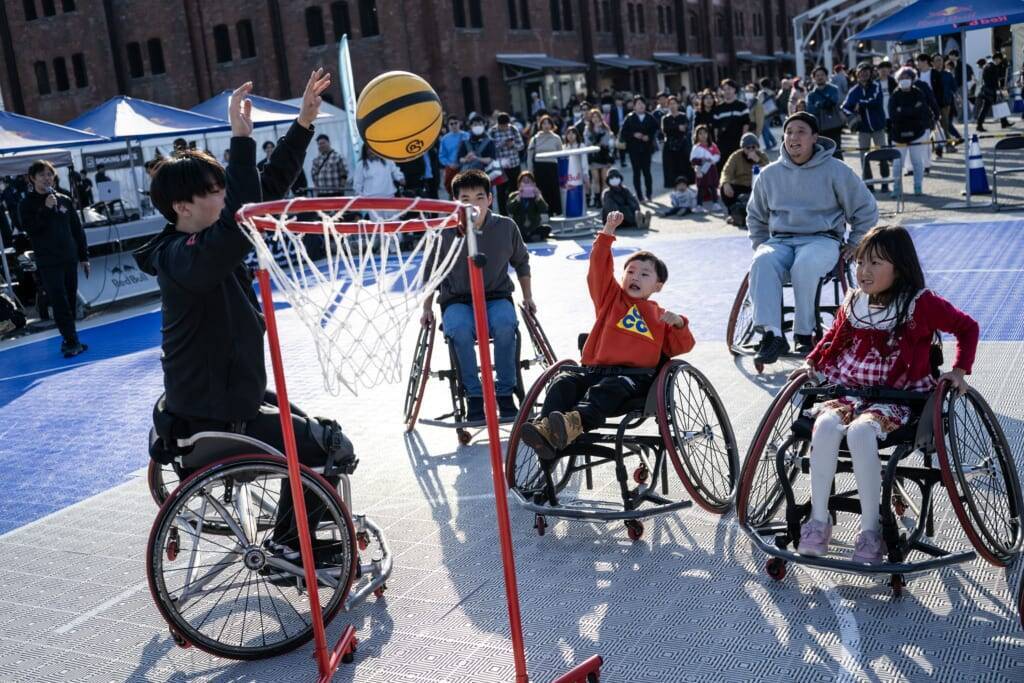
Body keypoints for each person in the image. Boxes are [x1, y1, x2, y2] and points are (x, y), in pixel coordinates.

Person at [134, 73, 357, 559]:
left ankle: (293, 532)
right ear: (182, 206)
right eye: (213, 190)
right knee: (327, 446)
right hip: (211, 418)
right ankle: (292, 545)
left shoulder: (206, 243)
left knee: (317, 428)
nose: (224, 197)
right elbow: (242, 213)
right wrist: (239, 139)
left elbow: (262, 190)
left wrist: (301, 124)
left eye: (221, 188)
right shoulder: (182, 257)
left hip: (230, 400)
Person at [795, 224, 978, 565]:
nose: (864, 271)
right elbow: (832, 339)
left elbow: (967, 327)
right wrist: (812, 365)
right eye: (860, 261)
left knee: (863, 431)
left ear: (900, 267)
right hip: (851, 394)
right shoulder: (854, 302)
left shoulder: (920, 304)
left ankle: (871, 529)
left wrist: (959, 370)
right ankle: (818, 521)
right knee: (824, 427)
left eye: (876, 263)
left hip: (898, 398)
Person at [518, 209, 694, 460]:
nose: (635, 276)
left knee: (607, 389)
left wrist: (679, 324)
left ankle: (571, 424)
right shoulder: (609, 299)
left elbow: (681, 347)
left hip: (632, 379)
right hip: (593, 371)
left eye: (644, 274)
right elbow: (599, 266)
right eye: (630, 272)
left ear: (657, 286)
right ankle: (545, 430)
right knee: (564, 382)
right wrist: (607, 232)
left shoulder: (660, 316)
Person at [745, 112, 878, 364]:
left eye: (801, 131)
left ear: (815, 137)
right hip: (781, 240)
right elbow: (755, 216)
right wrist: (760, 244)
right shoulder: (769, 174)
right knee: (761, 261)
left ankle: (804, 333)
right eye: (789, 132)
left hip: (822, 239)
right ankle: (772, 335)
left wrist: (855, 242)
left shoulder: (836, 170)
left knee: (804, 265)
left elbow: (866, 209)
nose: (794, 137)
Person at [420, 169, 533, 422]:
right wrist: (427, 308)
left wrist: (528, 297)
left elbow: (522, 263)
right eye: (466, 199)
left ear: (490, 200)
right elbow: (431, 274)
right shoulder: (445, 232)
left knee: (505, 325)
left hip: (496, 295)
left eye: (479, 197)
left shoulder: (506, 226)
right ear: (456, 203)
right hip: (457, 299)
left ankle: (505, 393)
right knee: (459, 330)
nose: (474, 204)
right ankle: (474, 395)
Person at [19, 160, 90, 357]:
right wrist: (45, 208)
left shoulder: (64, 199)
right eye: (41, 175)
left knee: (70, 299)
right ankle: (70, 340)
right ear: (32, 178)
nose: (47, 178)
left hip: (69, 258)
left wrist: (84, 256)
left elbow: (77, 229)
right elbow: (31, 229)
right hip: (48, 261)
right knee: (59, 301)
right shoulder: (26, 204)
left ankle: (71, 338)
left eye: (49, 174)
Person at [842, 62, 890, 194]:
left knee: (883, 155)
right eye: (861, 72)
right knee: (865, 157)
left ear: (870, 73)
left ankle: (885, 183)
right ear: (857, 74)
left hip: (878, 127)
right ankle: (869, 186)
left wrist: (860, 104)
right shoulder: (853, 91)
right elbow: (844, 107)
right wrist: (852, 115)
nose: (864, 74)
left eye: (866, 71)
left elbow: (875, 100)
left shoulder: (876, 86)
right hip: (863, 129)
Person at [888, 67, 935, 196]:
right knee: (898, 164)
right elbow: (893, 115)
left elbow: (922, 111)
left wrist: (902, 111)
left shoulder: (918, 93)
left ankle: (918, 186)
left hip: (917, 133)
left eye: (907, 77)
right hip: (898, 134)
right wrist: (911, 110)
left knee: (917, 161)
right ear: (898, 80)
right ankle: (897, 188)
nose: (905, 80)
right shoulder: (895, 95)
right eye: (902, 78)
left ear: (912, 79)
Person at [719, 133, 768, 227]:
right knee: (724, 188)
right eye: (747, 148)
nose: (750, 150)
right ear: (743, 148)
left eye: (753, 147)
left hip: (756, 187)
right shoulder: (735, 156)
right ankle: (732, 213)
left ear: (757, 147)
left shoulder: (762, 156)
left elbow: (770, 170)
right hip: (740, 186)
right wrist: (725, 183)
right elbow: (726, 171)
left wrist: (758, 160)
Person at [618, 96, 659, 202]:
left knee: (647, 172)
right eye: (638, 104)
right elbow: (623, 132)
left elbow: (656, 130)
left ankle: (649, 194)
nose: (640, 106)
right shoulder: (630, 118)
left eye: (642, 103)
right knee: (636, 172)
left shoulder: (650, 117)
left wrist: (649, 136)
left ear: (645, 105)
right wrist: (633, 134)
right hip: (634, 149)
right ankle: (639, 196)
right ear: (634, 106)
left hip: (647, 148)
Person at [490, 112, 525, 214]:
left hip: (514, 164)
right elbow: (491, 148)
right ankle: (503, 213)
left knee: (515, 189)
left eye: (506, 125)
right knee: (501, 191)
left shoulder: (513, 129)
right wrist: (502, 143)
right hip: (500, 168)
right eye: (502, 126)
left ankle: (516, 211)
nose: (505, 128)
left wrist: (513, 145)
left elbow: (521, 146)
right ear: (498, 124)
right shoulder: (493, 131)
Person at [527, 114, 563, 215]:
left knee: (554, 189)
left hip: (552, 166)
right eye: (544, 123)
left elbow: (561, 154)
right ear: (540, 125)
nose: (546, 125)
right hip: (539, 167)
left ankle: (557, 210)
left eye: (548, 123)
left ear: (552, 125)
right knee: (542, 190)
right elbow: (530, 156)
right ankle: (545, 211)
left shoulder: (556, 138)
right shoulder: (535, 138)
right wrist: (530, 171)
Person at [807, 66, 845, 159]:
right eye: (817, 75)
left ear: (826, 76)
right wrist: (823, 104)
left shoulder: (834, 89)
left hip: (834, 126)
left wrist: (819, 104)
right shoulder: (811, 95)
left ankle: (840, 173)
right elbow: (810, 110)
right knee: (821, 155)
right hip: (819, 129)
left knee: (836, 152)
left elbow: (834, 102)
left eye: (822, 75)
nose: (820, 77)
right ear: (814, 78)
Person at [712, 80, 750, 170]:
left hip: (737, 143)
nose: (727, 91)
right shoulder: (718, 109)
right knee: (723, 168)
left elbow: (746, 124)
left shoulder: (742, 106)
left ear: (734, 90)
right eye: (724, 89)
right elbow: (715, 128)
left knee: (739, 167)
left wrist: (743, 141)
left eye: (729, 89)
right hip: (723, 145)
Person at [507, 170, 551, 242]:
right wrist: (518, 197)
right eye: (524, 181)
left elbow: (544, 209)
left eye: (529, 181)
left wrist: (538, 197)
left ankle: (529, 237)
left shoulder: (536, 195)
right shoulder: (514, 195)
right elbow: (509, 209)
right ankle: (528, 238)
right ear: (519, 184)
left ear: (533, 184)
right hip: (520, 227)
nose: (526, 183)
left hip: (533, 227)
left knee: (547, 228)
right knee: (511, 231)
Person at [584, 108, 615, 208]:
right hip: (593, 156)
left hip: (604, 156)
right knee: (595, 179)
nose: (595, 119)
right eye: (593, 117)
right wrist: (596, 139)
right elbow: (588, 143)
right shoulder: (587, 129)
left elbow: (606, 142)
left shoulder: (605, 128)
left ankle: (604, 199)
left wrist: (597, 139)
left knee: (604, 178)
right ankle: (597, 199)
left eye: (597, 117)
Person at [661, 95, 693, 189]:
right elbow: (665, 130)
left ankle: (686, 185)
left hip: (682, 144)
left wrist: (677, 129)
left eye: (674, 103)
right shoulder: (665, 118)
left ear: (678, 104)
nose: (672, 106)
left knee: (684, 166)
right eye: (670, 104)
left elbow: (686, 128)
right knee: (671, 168)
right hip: (670, 145)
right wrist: (677, 128)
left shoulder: (683, 116)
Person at [976, 51, 1012, 132]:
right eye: (1000, 59)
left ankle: (1004, 122)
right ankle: (979, 125)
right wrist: (998, 89)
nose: (1000, 61)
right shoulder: (991, 66)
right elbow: (993, 80)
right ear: (996, 59)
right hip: (990, 90)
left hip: (988, 89)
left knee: (997, 105)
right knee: (986, 108)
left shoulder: (988, 65)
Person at [690, 124, 721, 210]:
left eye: (705, 133)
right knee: (700, 187)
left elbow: (717, 155)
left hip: (711, 169)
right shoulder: (696, 147)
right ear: (697, 135)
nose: (703, 135)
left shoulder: (712, 146)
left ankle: (715, 203)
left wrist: (712, 160)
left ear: (708, 134)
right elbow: (693, 160)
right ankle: (699, 205)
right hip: (700, 169)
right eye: (700, 133)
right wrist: (697, 167)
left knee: (712, 186)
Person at [439, 115, 469, 197]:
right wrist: (449, 164)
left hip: (466, 167)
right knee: (453, 194)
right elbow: (441, 156)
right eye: (451, 124)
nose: (454, 125)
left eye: (455, 123)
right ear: (448, 125)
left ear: (459, 123)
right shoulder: (444, 139)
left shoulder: (467, 136)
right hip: (451, 169)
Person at [758, 78, 779, 150]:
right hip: (772, 112)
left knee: (764, 129)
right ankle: (773, 141)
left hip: (764, 113)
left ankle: (768, 145)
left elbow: (759, 103)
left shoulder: (761, 93)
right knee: (766, 128)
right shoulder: (772, 92)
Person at [608, 95, 629, 167]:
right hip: (616, 129)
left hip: (624, 128)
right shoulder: (613, 110)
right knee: (615, 145)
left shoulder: (625, 109)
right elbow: (611, 122)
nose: (619, 102)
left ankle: (623, 161)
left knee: (621, 145)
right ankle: (613, 158)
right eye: (617, 100)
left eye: (620, 100)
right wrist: (612, 131)